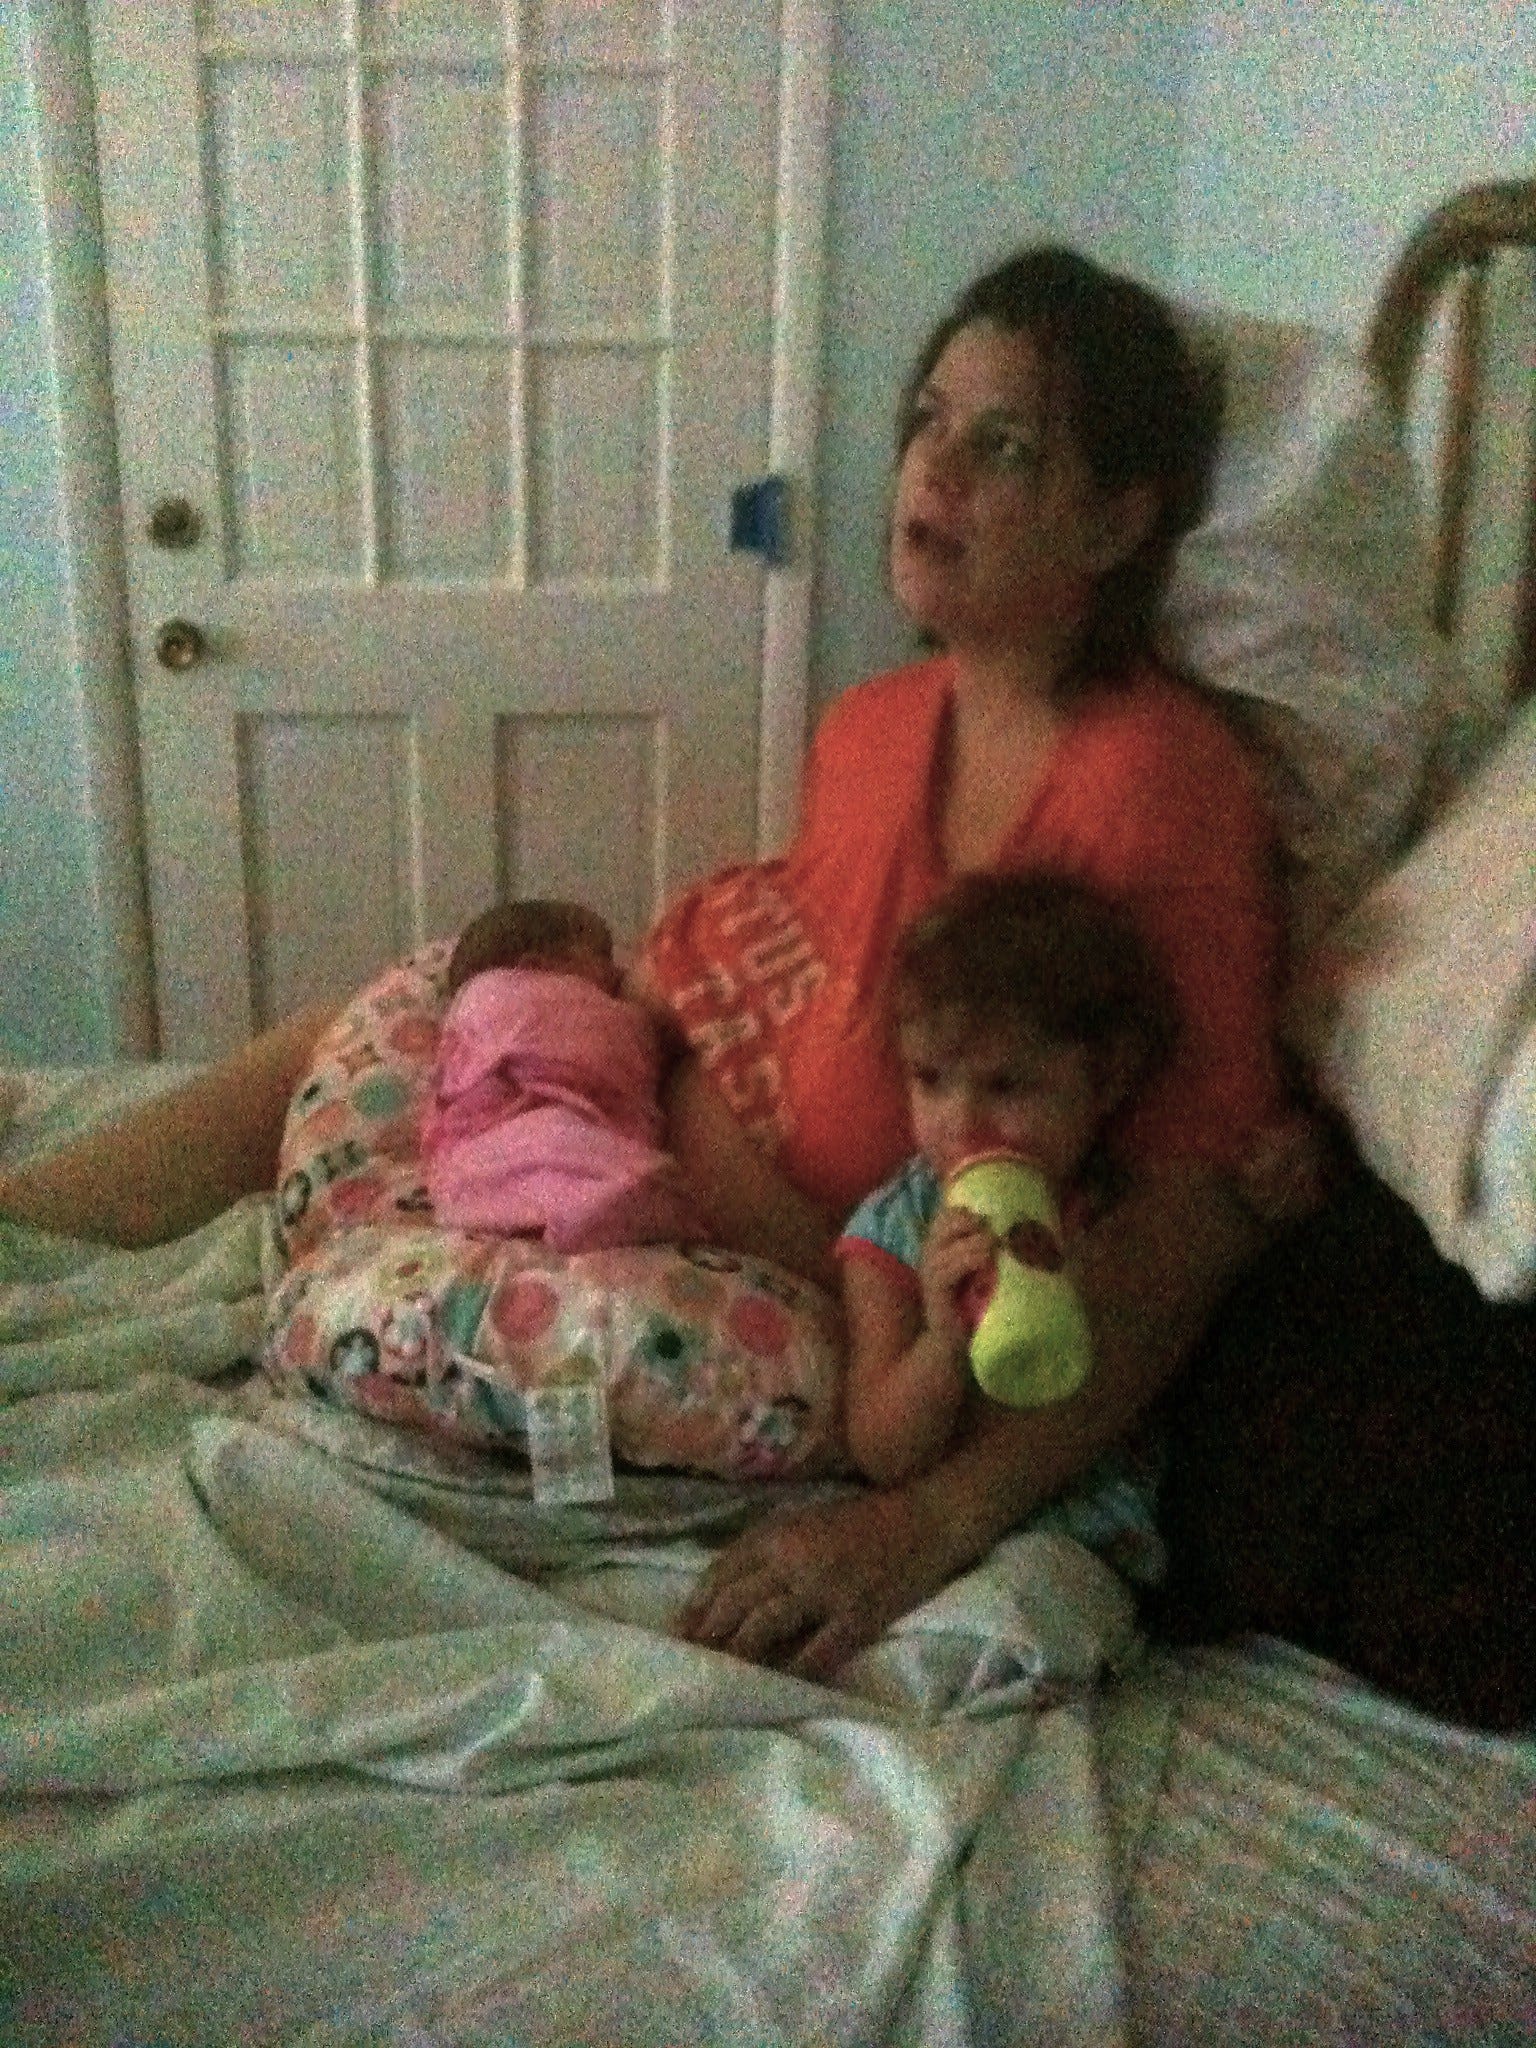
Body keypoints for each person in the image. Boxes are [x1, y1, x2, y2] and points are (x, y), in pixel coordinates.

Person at [0, 245, 1293, 1680]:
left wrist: (923, 1525)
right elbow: (818, 952)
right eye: (928, 421)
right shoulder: (877, 723)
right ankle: (16, 1218)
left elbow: (1197, 1212)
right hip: (642, 1077)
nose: (933, 469)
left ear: (1118, 519)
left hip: (788, 1259)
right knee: (379, 1015)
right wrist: (658, 992)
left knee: (372, 1042)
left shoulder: (1160, 785)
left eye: (1006, 447)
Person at [837, 870, 1177, 1487]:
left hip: (1095, 1524)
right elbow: (880, 1452)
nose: (962, 1124)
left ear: (1107, 1082)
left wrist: (1279, 1179)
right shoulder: (896, 1226)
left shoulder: (1127, 1202)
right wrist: (943, 1343)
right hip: (942, 1515)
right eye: (930, 1079)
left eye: (1006, 1086)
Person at [422, 898, 702, 1253]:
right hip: (503, 1129)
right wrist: (642, 1032)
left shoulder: (470, 1012)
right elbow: (611, 1051)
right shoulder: (497, 1001)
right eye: (602, 956)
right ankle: (590, 1204)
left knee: (545, 1151)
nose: (617, 971)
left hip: (481, 1156)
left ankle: (536, 1206)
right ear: (537, 968)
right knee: (557, 1140)